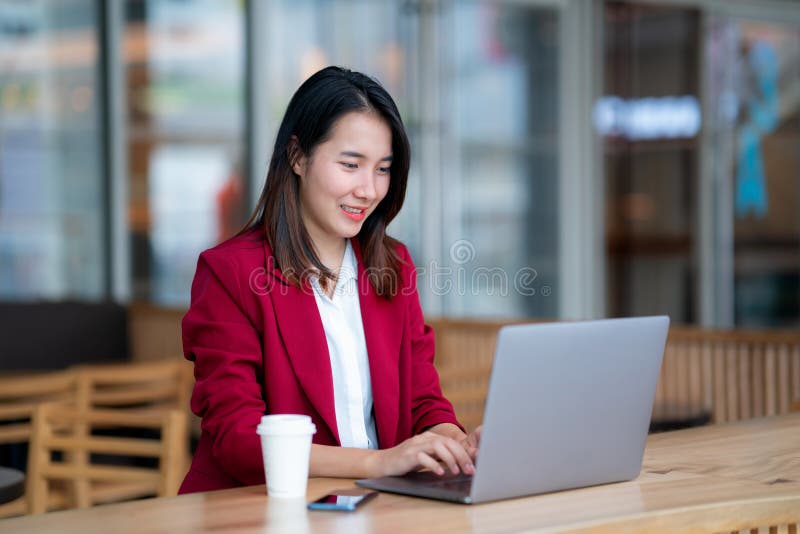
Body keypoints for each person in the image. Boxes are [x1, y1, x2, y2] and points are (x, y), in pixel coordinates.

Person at [179, 66, 480, 494]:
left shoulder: (393, 266)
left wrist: (456, 443)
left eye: (382, 169)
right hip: (257, 511)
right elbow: (240, 440)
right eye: (351, 165)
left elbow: (422, 401)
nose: (369, 190)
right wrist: (382, 461)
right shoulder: (232, 273)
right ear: (298, 156)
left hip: (375, 508)